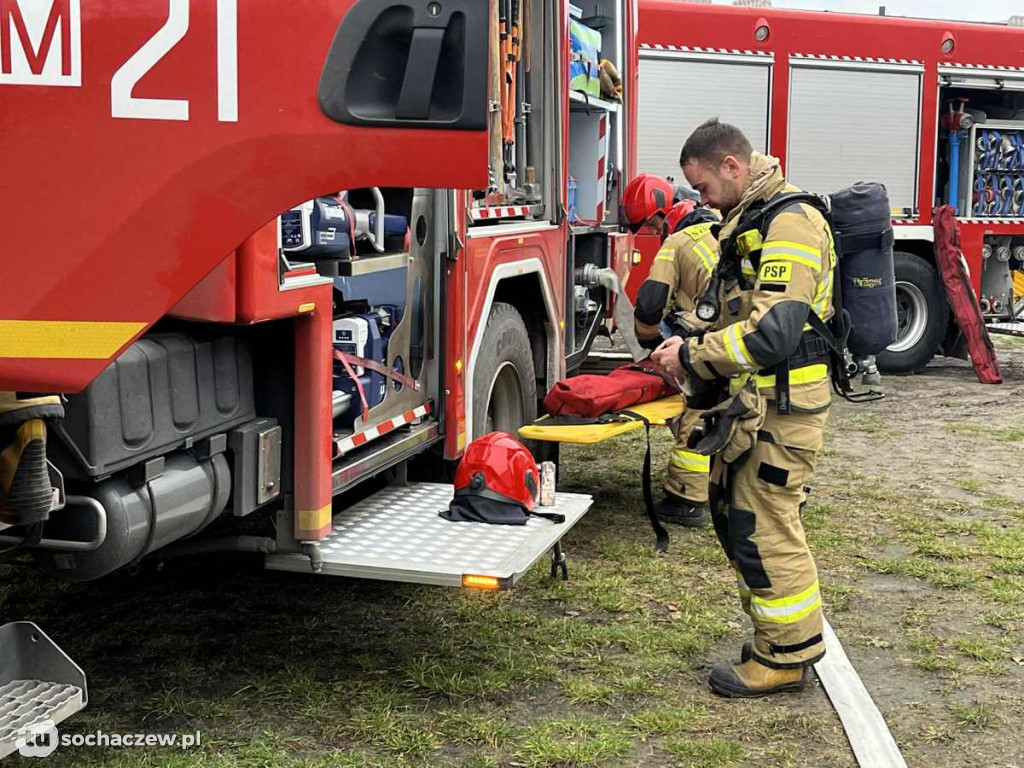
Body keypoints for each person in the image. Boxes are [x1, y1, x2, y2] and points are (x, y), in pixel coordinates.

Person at [652, 119, 835, 698]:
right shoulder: (751, 218)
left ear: (732, 166)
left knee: (764, 525)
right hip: (757, 403)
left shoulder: (789, 223)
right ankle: (775, 641)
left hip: (783, 408)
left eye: (703, 187)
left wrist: (692, 355)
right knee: (739, 518)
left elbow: (775, 333)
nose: (699, 201)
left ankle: (784, 658)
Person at [621, 174, 720, 528]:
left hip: (704, 339)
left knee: (697, 412)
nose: (653, 232)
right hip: (742, 338)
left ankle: (686, 499)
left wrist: (651, 343)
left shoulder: (677, 242)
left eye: (652, 224)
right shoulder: (724, 227)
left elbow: (650, 305)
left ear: (667, 213)